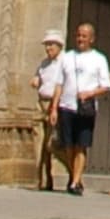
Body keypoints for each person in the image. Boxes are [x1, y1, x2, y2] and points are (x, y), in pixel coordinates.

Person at [52, 21, 110, 196]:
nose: (80, 39)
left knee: (81, 145)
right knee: (68, 146)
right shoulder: (66, 57)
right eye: (78, 35)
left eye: (84, 36)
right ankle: (74, 177)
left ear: (91, 39)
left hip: (85, 108)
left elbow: (106, 86)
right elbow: (58, 84)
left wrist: (90, 93)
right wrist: (54, 108)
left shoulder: (99, 59)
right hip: (66, 106)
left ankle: (75, 181)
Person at [31, 29, 67, 191]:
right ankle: (43, 180)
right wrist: (36, 79)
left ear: (59, 45)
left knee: (53, 144)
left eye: (51, 44)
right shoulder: (44, 63)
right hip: (41, 102)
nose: (48, 48)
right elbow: (40, 77)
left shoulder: (66, 61)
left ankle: (74, 172)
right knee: (39, 143)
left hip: (56, 103)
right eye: (46, 45)